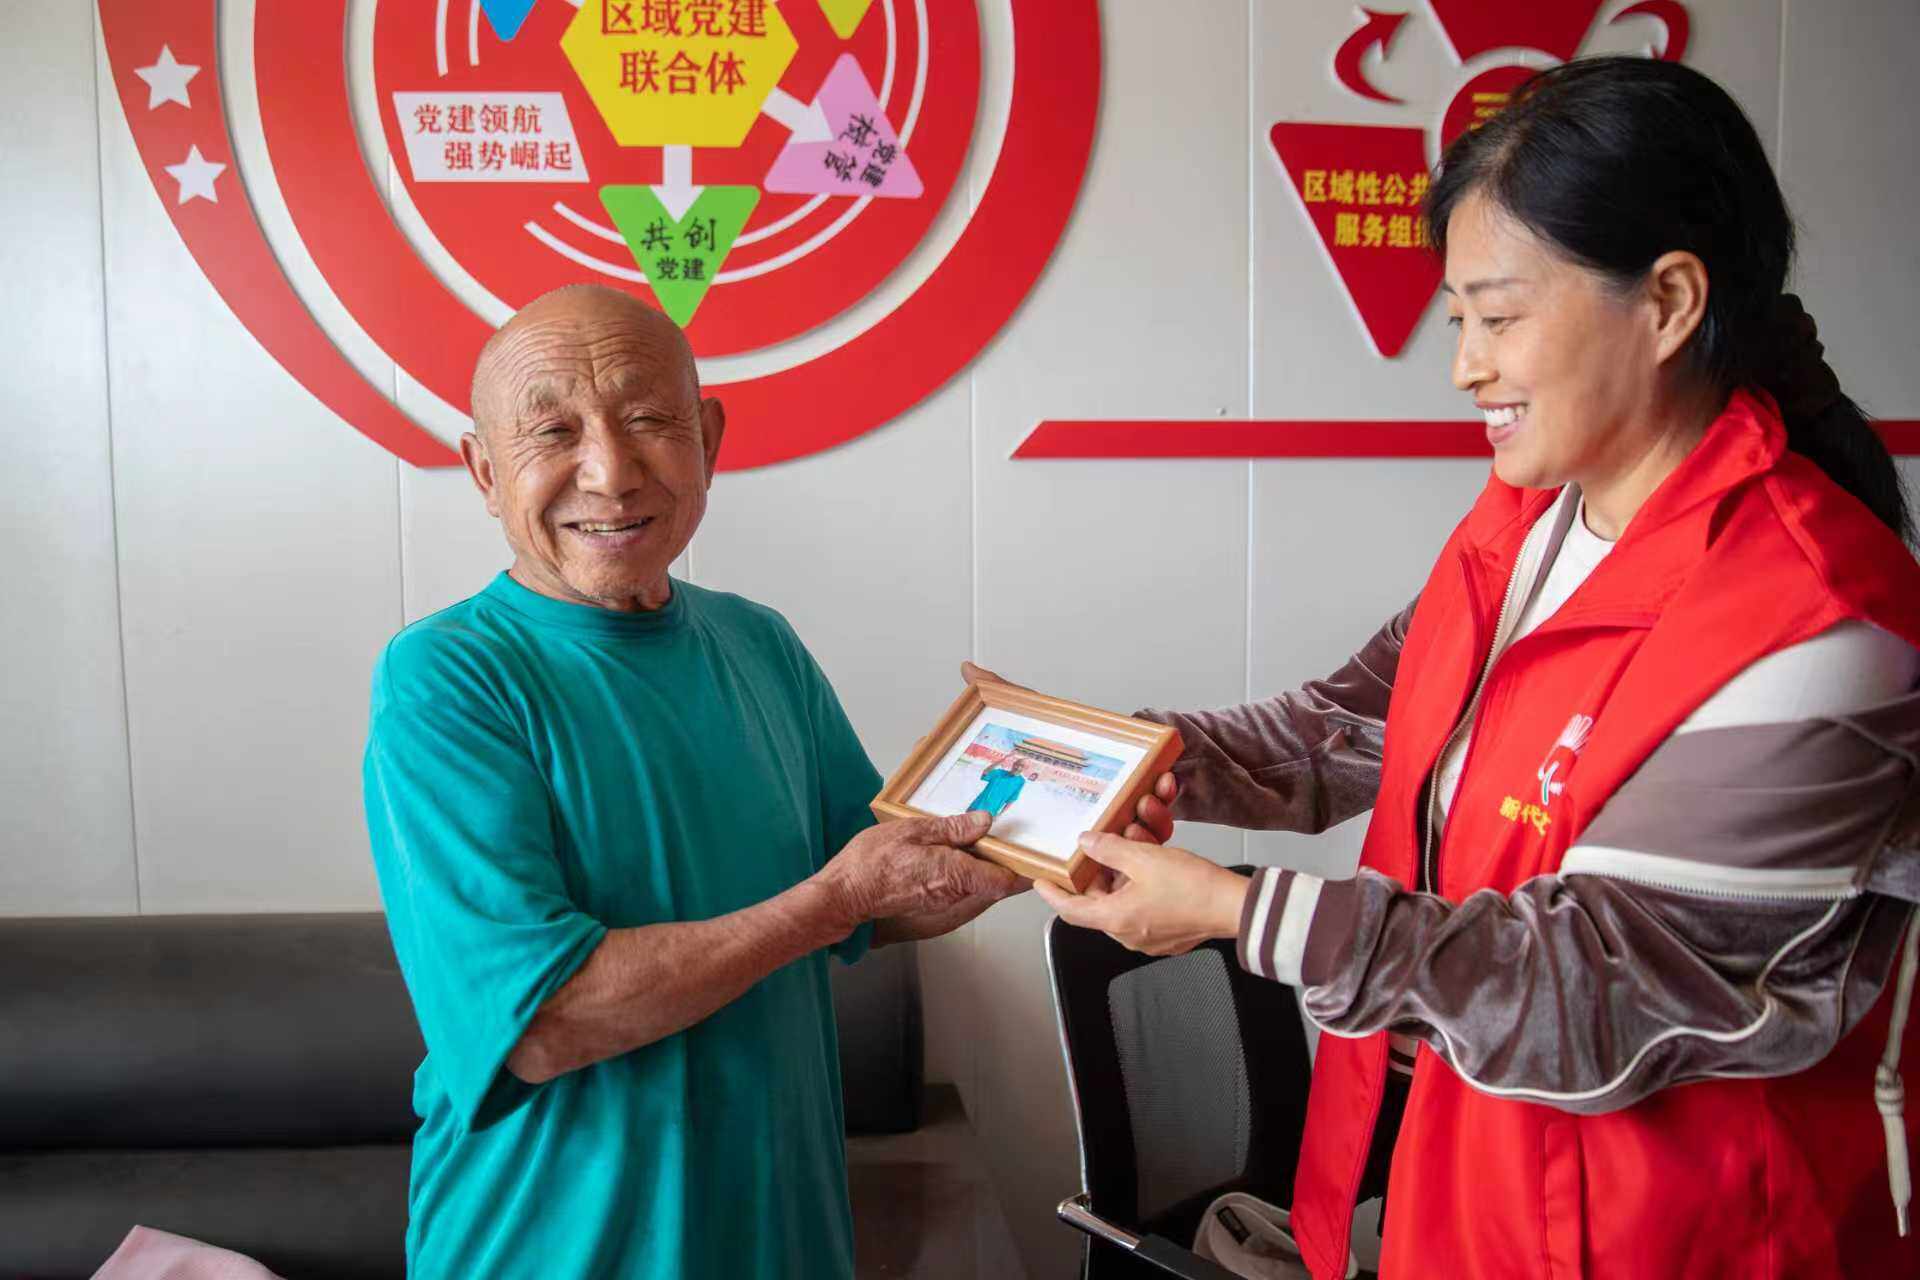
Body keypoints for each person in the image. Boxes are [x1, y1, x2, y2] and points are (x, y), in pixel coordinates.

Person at [1023, 57, 1920, 1279]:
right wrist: (1102, 763)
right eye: (1458, 323)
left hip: (1682, 1239)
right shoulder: (1527, 526)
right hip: (1470, 1198)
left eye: (1498, 319)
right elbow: (1345, 730)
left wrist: (1237, 912)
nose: (1466, 369)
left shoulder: (1816, 626)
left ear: (1667, 302)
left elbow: (1587, 981)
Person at [361, 285, 1022, 1280]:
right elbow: (542, 1021)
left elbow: (877, 888)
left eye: (646, 420)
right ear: (486, 472)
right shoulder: (446, 676)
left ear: (706, 439)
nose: (610, 471)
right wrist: (833, 900)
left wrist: (1032, 831)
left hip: (784, 1241)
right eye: (554, 431)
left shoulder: (759, 641)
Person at [969, 751, 1034, 818]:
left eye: (1022, 766)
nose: (1018, 768)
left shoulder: (1021, 782)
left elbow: (1011, 800)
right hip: (977, 807)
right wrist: (1003, 760)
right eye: (1017, 764)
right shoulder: (999, 773)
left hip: (990, 814)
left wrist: (1000, 815)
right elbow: (985, 772)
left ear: (1026, 769)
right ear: (1013, 764)